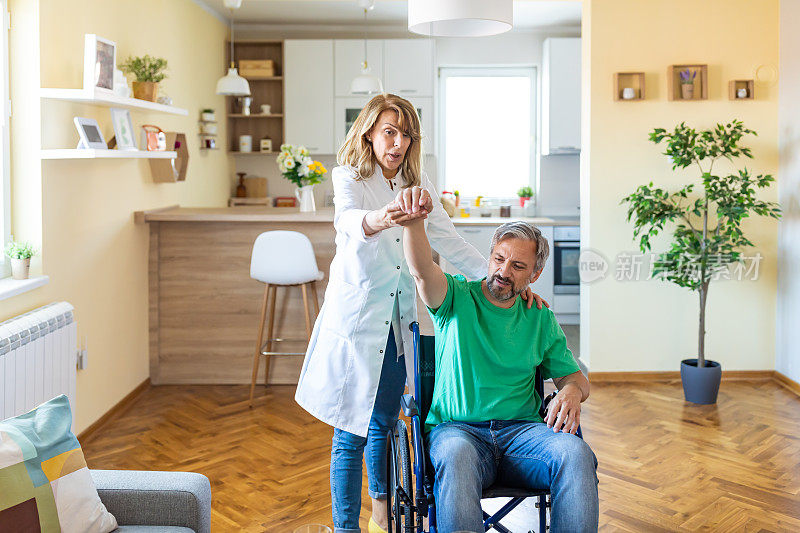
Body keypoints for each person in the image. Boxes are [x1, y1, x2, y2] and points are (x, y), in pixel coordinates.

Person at [294, 94, 548, 533]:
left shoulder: (418, 183)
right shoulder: (349, 176)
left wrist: (501, 280)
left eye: (406, 134)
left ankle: (379, 514)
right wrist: (385, 217)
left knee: (384, 420)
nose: (398, 143)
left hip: (397, 322)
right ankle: (343, 528)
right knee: (348, 431)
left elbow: (449, 240)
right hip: (356, 321)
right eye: (390, 131)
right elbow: (350, 221)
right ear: (369, 132)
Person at [402, 212, 599, 533]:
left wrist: (572, 390)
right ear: (490, 254)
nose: (504, 272)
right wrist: (413, 224)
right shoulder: (455, 298)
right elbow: (422, 271)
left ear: (535, 275)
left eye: (518, 266)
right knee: (455, 456)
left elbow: (574, 378)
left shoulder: (540, 318)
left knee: (575, 454)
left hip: (523, 436)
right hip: (458, 431)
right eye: (499, 259)